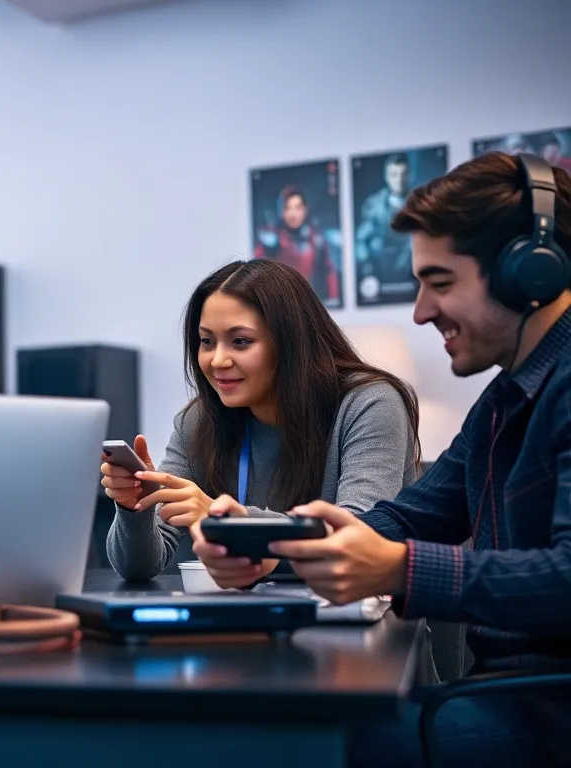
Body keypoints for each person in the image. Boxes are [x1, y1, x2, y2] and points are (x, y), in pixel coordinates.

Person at [192, 152, 571, 766]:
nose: (421, 311)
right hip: (506, 693)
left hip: (547, 707)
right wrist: (262, 544)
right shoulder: (506, 397)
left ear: (530, 273)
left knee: (321, 741)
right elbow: (408, 518)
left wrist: (399, 570)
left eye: (440, 283)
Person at [100, 258, 421, 582]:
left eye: (240, 341)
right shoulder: (198, 421)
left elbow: (355, 539)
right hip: (248, 621)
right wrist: (134, 509)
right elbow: (138, 568)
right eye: (207, 341)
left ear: (291, 343)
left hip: (360, 623)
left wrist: (226, 522)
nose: (218, 360)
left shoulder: (370, 405)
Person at [254, 185, 340, 305]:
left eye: (298, 208)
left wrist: (334, 298)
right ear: (281, 211)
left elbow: (329, 271)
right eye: (287, 208)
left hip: (308, 304)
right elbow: (255, 274)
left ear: (305, 209)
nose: (293, 214)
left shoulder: (316, 238)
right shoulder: (272, 239)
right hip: (279, 305)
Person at [356, 153, 418, 302]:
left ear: (410, 175)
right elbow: (361, 241)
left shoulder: (422, 203)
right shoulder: (374, 205)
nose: (399, 180)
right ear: (386, 176)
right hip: (381, 275)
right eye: (394, 174)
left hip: (413, 275)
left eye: (404, 174)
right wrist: (368, 271)